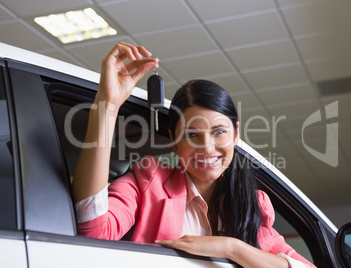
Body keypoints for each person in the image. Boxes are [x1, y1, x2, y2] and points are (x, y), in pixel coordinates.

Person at [72, 42, 316, 268]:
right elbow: (94, 231)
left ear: (235, 134)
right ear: (174, 141)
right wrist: (107, 103)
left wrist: (232, 248)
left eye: (219, 132)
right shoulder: (147, 181)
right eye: (192, 135)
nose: (207, 148)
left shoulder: (250, 204)